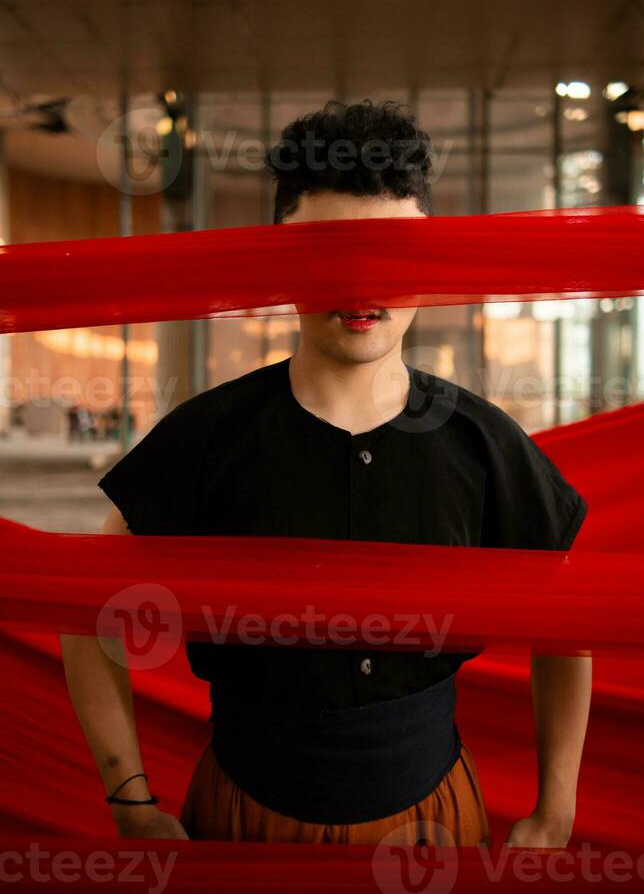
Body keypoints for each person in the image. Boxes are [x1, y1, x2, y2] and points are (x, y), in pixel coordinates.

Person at [59, 100, 590, 847]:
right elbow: (85, 614)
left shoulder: (484, 443)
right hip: (241, 822)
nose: (361, 289)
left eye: (390, 258)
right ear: (283, 263)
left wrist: (557, 808)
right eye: (330, 255)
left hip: (435, 824)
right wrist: (130, 803)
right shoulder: (208, 436)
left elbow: (572, 620)